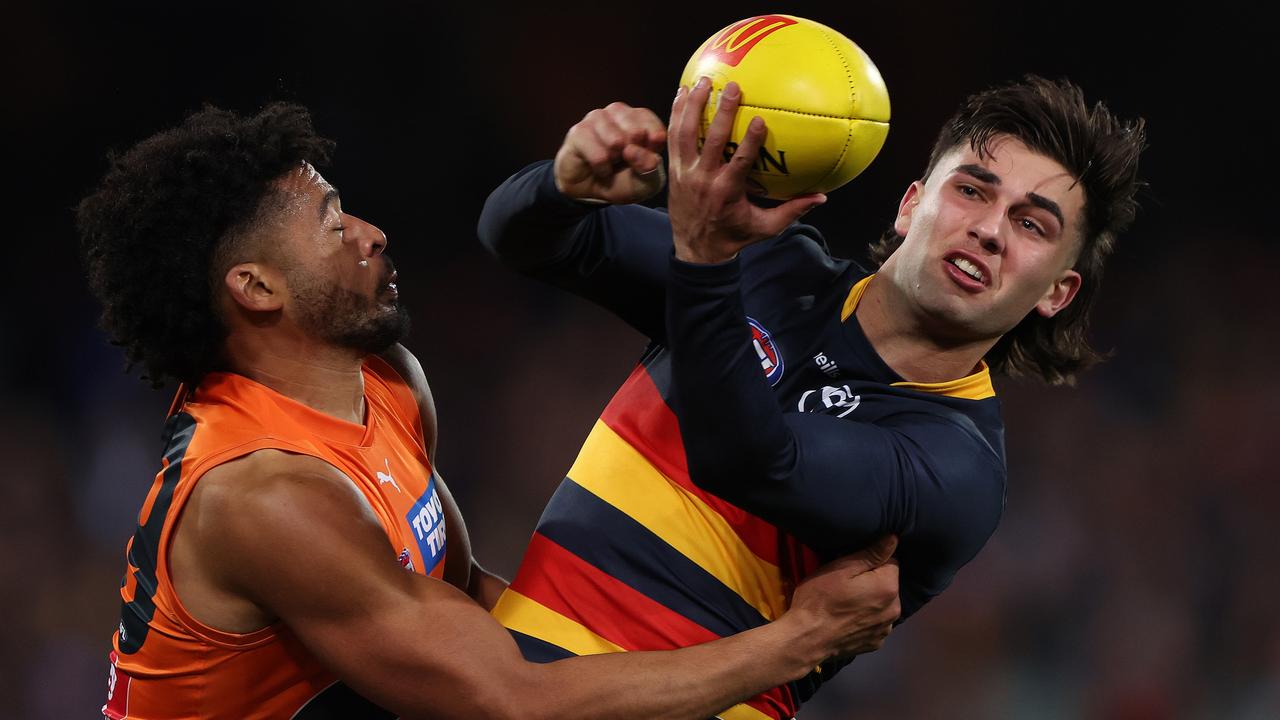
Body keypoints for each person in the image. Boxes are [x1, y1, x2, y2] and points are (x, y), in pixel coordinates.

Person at [78, 103, 903, 719]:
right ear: (255, 289)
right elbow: (513, 704)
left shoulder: (386, 378)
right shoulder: (264, 498)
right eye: (331, 222)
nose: (369, 232)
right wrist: (796, 643)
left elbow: (466, 595)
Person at [477, 74, 1146, 719]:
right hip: (509, 684)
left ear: (1058, 292)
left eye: (1033, 226)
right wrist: (566, 184)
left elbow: (747, 460)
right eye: (973, 190)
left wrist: (706, 263)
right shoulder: (770, 266)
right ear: (912, 203)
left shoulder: (957, 465)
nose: (991, 229)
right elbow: (524, 239)